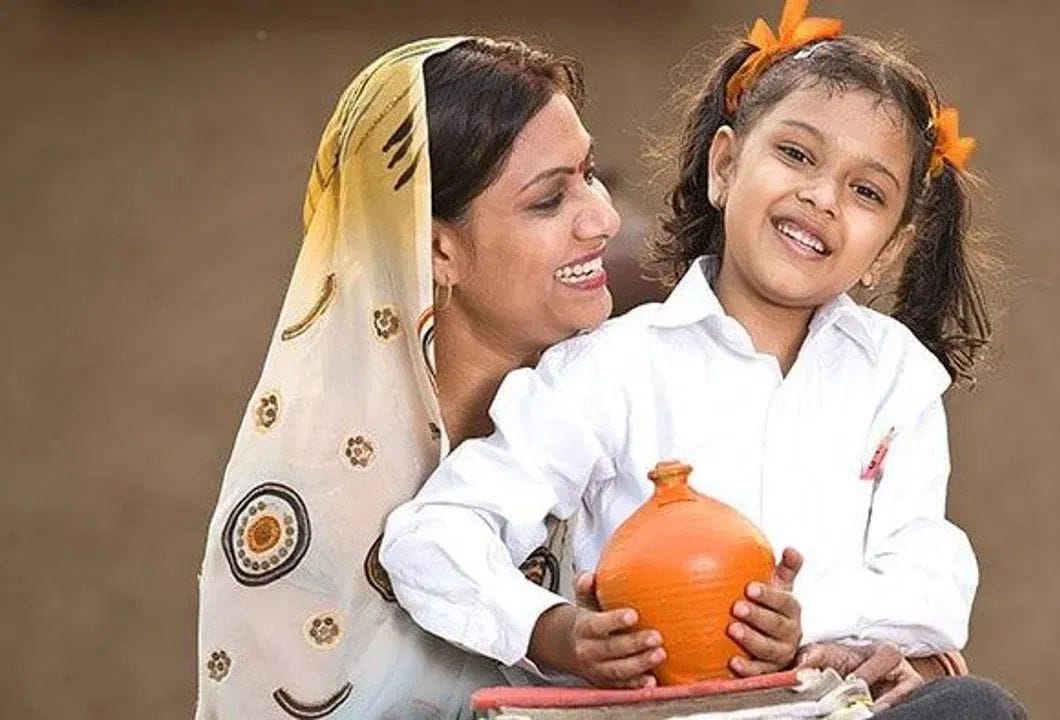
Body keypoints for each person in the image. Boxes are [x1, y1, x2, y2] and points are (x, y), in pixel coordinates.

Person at [382, 2, 1022, 716]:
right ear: (725, 167)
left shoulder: (895, 378)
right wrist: (554, 631)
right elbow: (433, 535)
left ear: (890, 249)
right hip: (663, 712)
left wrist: (811, 623)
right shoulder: (611, 369)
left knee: (974, 707)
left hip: (827, 707)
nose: (821, 196)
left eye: (866, 191)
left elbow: (927, 571)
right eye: (796, 155)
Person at [195, 35, 621, 719]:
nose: (604, 218)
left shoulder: (617, 413)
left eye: (590, 174)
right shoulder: (306, 512)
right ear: (436, 250)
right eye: (549, 200)